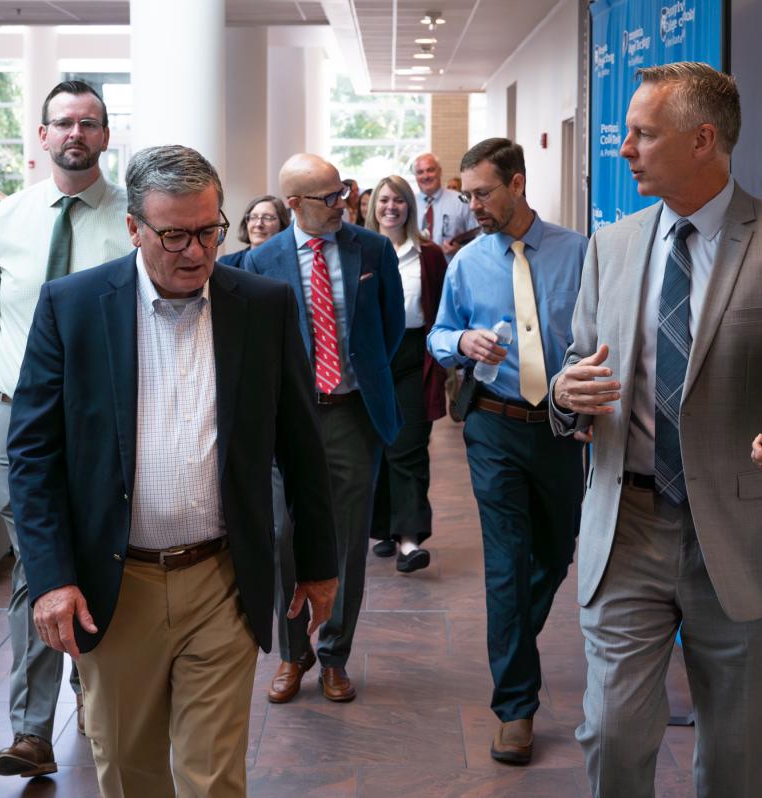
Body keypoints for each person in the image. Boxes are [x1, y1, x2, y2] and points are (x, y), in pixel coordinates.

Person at [550, 63, 762, 797]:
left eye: (641, 134)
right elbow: (577, 367)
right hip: (625, 526)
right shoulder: (613, 245)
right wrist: (566, 391)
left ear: (703, 139)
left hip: (743, 533)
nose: (623, 148)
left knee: (735, 753)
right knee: (613, 731)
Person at [6, 145, 339, 797]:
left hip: (222, 577)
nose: (196, 252)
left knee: (212, 777)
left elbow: (302, 445)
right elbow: (34, 455)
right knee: (131, 772)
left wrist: (319, 562)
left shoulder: (262, 305)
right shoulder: (71, 308)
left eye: (209, 231)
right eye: (175, 235)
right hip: (114, 586)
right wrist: (50, 578)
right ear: (133, 228)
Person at [0, 80, 128, 778]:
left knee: (81, 557)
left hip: (102, 422)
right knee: (39, 560)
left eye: (89, 123)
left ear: (106, 137)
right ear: (43, 136)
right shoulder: (7, 219)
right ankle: (31, 730)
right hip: (15, 413)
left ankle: (89, 690)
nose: (76, 134)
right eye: (63, 123)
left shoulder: (131, 221)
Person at [428, 138, 587, 765]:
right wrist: (463, 341)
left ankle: (516, 629)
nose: (473, 208)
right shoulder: (468, 263)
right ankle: (516, 706)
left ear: (517, 184)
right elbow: (441, 333)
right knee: (505, 560)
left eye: (483, 194)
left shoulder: (578, 253)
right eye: (466, 197)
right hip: (491, 426)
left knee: (556, 548)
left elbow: (599, 335)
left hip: (558, 429)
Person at [244, 153, 404, 704]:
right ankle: (293, 654)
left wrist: (356, 384)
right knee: (283, 538)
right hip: (286, 421)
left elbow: (388, 331)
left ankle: (335, 654)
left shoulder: (373, 250)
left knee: (348, 542)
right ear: (294, 204)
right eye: (328, 198)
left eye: (344, 192)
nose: (343, 204)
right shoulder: (258, 262)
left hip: (350, 414)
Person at [363, 175, 448, 572]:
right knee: (375, 446)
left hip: (415, 357)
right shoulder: (359, 251)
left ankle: (410, 540)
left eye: (399, 200)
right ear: (372, 207)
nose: (391, 207)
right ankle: (383, 527)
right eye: (383, 200)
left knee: (408, 447)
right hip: (369, 358)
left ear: (410, 207)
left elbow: (442, 308)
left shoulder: (428, 255)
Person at [413, 152, 479, 260]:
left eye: (430, 170)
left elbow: (479, 236)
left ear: (440, 171)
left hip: (451, 270)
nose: (425, 176)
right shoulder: (409, 203)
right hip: (418, 272)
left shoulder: (461, 201)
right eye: (420, 172)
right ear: (415, 176)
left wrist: (460, 250)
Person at [219, 194, 290, 268]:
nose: (259, 224)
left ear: (282, 224)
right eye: (253, 217)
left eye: (267, 217)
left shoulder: (289, 264)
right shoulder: (227, 263)